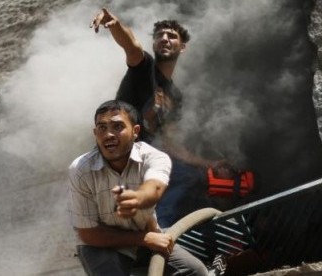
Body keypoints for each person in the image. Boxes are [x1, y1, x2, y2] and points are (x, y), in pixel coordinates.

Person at [90, 8, 227, 227]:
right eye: (159, 35)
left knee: (194, 176)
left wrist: (207, 164)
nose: (164, 38)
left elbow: (170, 143)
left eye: (171, 36)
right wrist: (114, 24)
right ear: (154, 44)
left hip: (146, 160)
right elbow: (131, 46)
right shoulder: (145, 69)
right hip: (121, 156)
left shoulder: (175, 97)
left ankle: (172, 233)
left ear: (182, 47)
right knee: (182, 177)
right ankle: (160, 234)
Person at [67, 100, 208, 275]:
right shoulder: (81, 170)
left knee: (196, 271)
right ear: (95, 133)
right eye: (102, 128)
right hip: (101, 244)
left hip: (147, 234)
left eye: (117, 126)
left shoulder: (154, 157)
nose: (108, 134)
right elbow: (88, 234)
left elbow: (155, 187)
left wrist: (138, 198)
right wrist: (144, 239)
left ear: (135, 132)